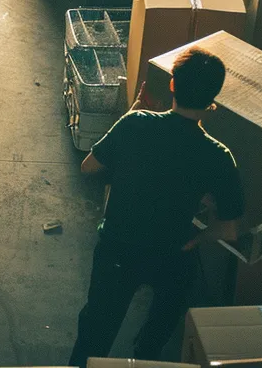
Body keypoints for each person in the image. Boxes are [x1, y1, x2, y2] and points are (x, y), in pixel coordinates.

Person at [66, 48, 243, 366]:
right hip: (172, 255)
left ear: (173, 85)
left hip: (119, 248)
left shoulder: (136, 123)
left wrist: (133, 114)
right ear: (214, 97)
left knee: (95, 334)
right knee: (156, 336)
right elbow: (229, 228)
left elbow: (89, 167)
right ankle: (145, 355)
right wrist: (198, 238)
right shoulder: (219, 155)